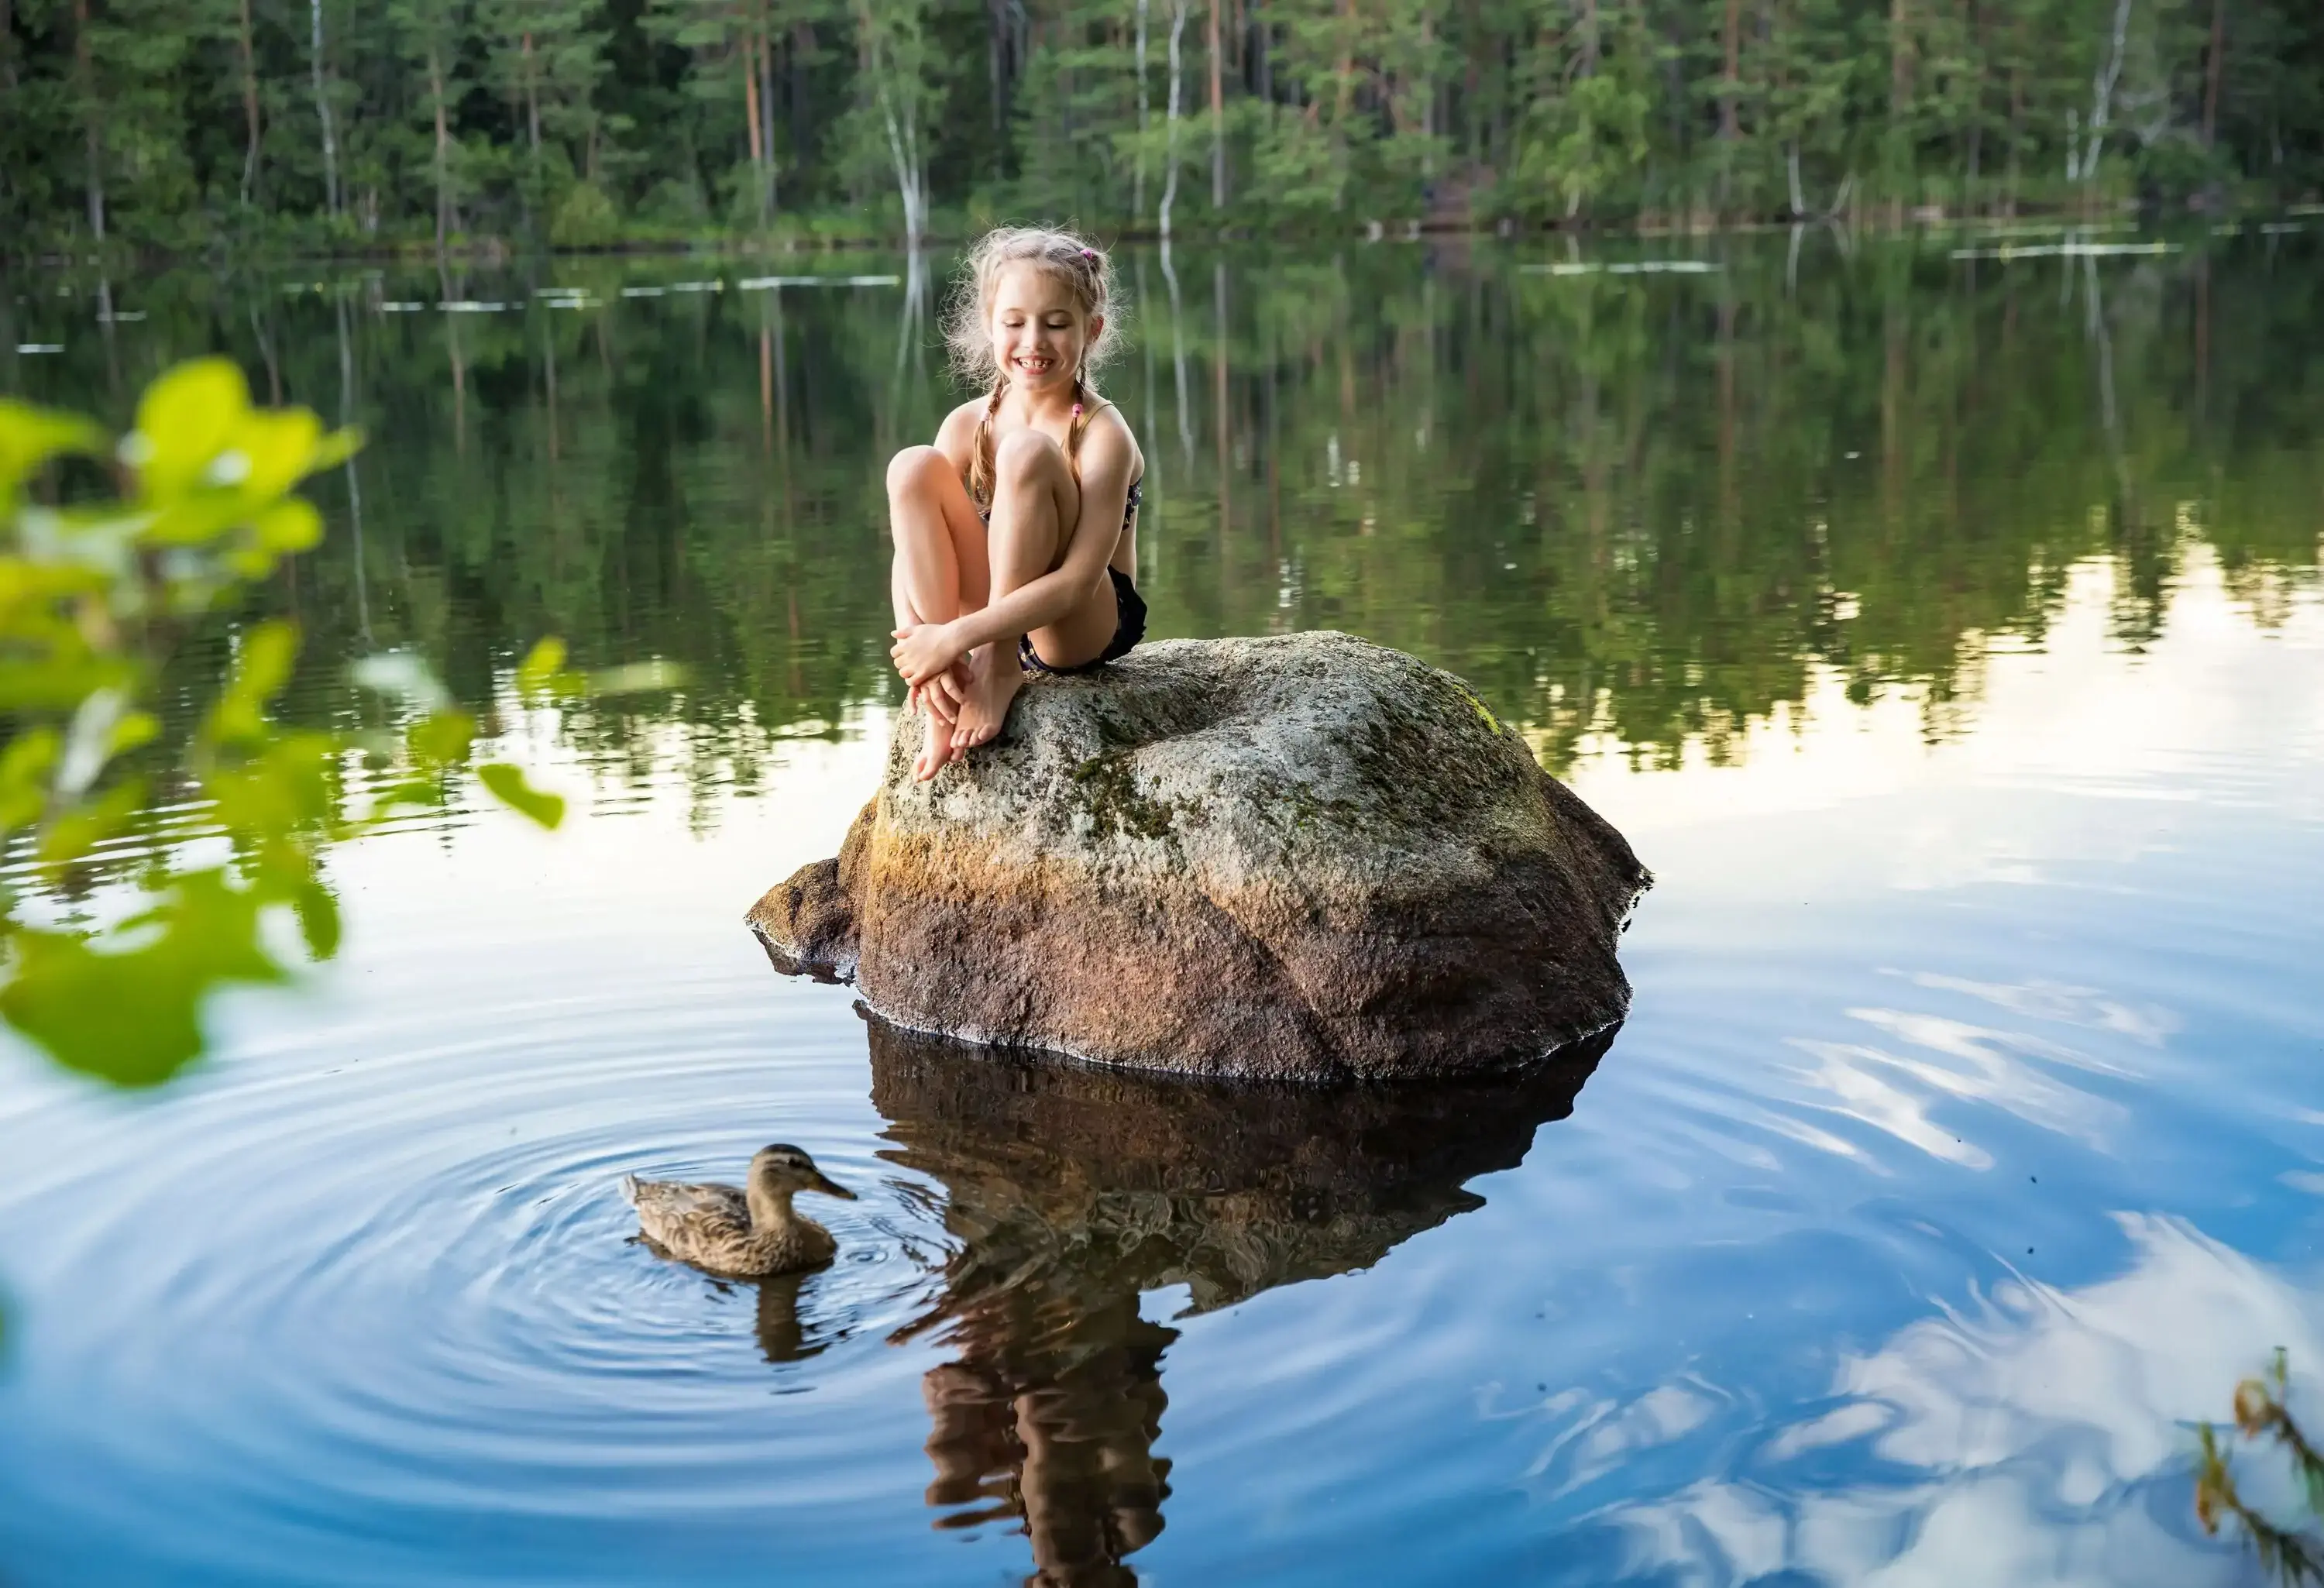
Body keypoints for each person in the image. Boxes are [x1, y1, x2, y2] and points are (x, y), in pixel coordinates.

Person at [885, 226, 1149, 782]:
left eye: (1056, 324)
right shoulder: (968, 424)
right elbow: (910, 547)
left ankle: (998, 666)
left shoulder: (1104, 434)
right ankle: (947, 691)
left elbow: (1079, 580)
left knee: (1027, 454)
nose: (1034, 342)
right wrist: (924, 651)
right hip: (985, 619)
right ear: (990, 326)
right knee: (910, 468)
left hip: (1076, 621)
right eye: (1015, 323)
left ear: (1091, 331)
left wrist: (963, 635)